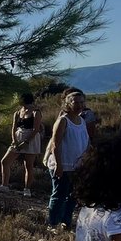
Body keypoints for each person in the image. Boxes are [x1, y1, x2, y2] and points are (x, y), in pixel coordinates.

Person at [44, 88, 90, 230]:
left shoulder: (82, 121)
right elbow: (55, 145)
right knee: (59, 195)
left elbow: (85, 142)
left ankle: (66, 221)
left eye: (82, 102)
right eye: (76, 102)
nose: (79, 105)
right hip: (63, 165)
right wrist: (58, 164)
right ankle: (52, 223)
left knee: (73, 196)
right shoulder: (63, 121)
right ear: (68, 104)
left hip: (77, 166)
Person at [0, 92, 42, 196]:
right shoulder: (17, 112)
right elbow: (14, 127)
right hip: (18, 136)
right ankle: (4, 185)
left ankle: (27, 189)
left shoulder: (36, 112)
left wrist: (26, 142)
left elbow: (36, 129)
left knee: (28, 165)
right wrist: (14, 140)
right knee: (5, 161)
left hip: (31, 138)